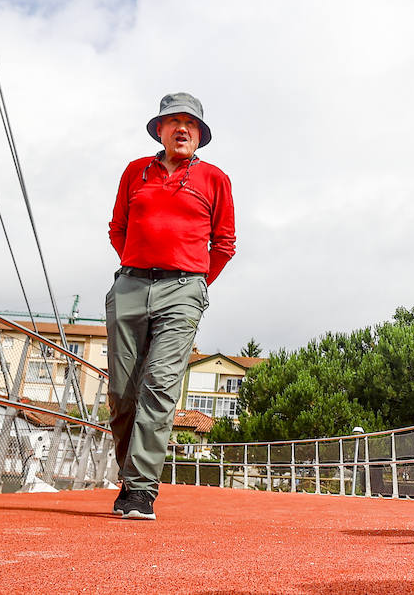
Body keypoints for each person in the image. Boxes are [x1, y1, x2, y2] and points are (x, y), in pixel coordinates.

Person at [106, 92, 236, 520]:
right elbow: (118, 229)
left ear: (199, 136)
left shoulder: (216, 179)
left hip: (183, 290)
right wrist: (138, 267)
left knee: (159, 385)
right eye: (174, 121)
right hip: (130, 285)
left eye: (191, 124)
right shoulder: (134, 172)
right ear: (159, 130)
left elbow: (224, 244)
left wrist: (193, 280)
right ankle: (130, 477)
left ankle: (141, 490)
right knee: (123, 393)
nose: (183, 129)